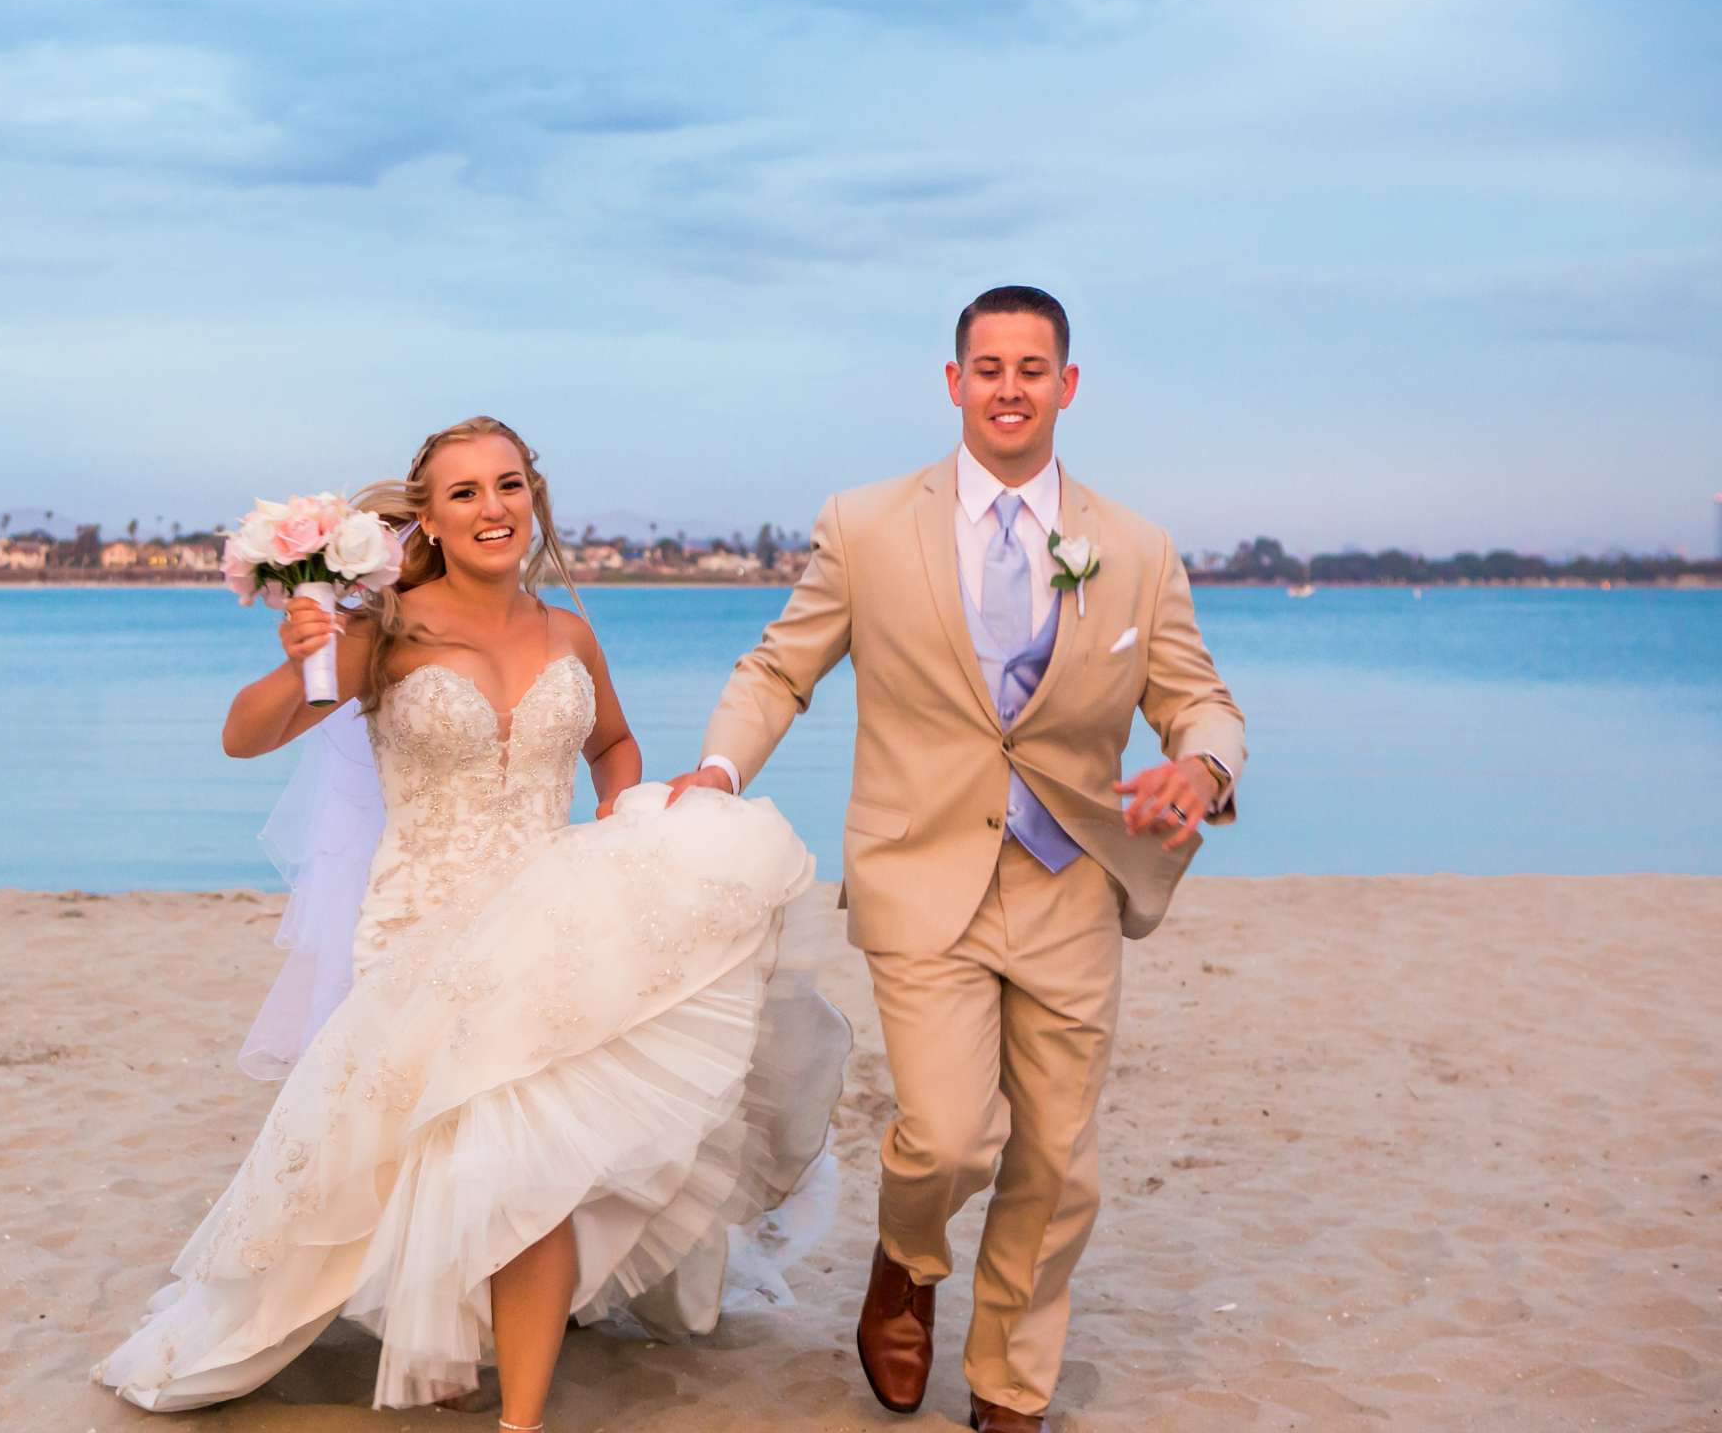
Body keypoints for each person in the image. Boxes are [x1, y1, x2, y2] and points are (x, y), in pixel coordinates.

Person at [94, 415, 850, 1431]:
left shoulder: (568, 632)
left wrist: (628, 831)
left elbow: (615, 744)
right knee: (472, 1158)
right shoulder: (387, 630)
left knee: (526, 1166)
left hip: (550, 918)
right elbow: (246, 737)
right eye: (464, 494)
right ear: (432, 521)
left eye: (507, 486)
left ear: (531, 498)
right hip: (423, 923)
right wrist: (299, 658)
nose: (492, 508)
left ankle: (519, 1416)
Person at [668, 287, 1248, 1432]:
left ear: (1068, 386)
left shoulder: (1134, 547)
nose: (1011, 388)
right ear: (953, 383)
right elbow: (780, 668)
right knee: (945, 1132)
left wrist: (1203, 771)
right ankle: (906, 1258)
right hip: (920, 870)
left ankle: (1009, 1385)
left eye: (1034, 368)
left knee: (1060, 1156)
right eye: (989, 367)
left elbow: (1201, 701)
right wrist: (723, 769)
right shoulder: (869, 523)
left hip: (1074, 881)